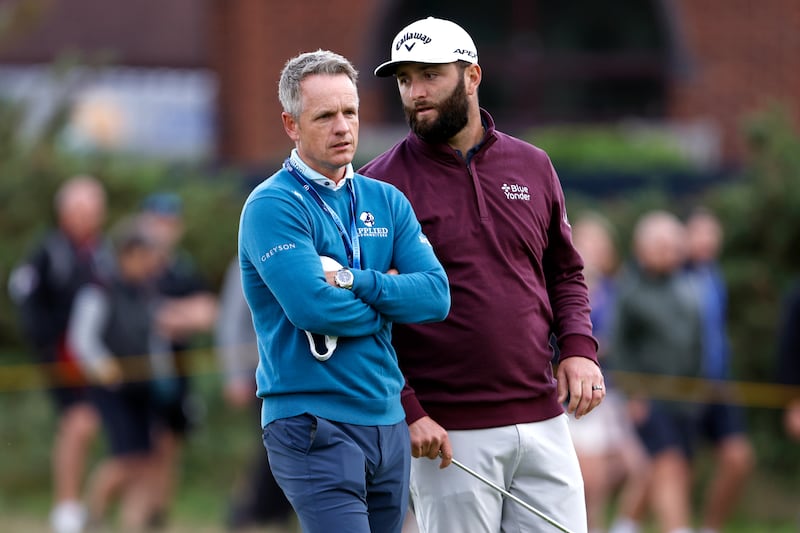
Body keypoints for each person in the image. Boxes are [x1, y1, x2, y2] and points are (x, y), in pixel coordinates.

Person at [361, 17, 603, 533]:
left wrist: (579, 348)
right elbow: (366, 313)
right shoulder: (378, 186)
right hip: (447, 430)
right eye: (405, 80)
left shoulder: (533, 165)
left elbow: (564, 271)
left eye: (430, 75)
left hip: (544, 418)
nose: (416, 93)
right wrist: (407, 408)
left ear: (472, 76)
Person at [238, 49, 450, 533]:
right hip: (312, 420)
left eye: (350, 112)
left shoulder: (385, 199)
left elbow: (436, 296)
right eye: (325, 115)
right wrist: (392, 300)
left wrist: (358, 283)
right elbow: (314, 308)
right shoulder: (272, 205)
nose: (342, 127)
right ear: (291, 125)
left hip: (386, 417)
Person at [7, 175, 112, 533]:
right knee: (78, 423)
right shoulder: (48, 251)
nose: (87, 217)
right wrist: (46, 343)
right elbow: (25, 295)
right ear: (64, 213)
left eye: (94, 210)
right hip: (60, 356)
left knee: (94, 426)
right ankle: (65, 506)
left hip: (97, 356)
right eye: (81, 209)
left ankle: (85, 505)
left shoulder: (101, 252)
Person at [67, 216, 167, 530]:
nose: (150, 263)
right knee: (124, 459)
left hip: (143, 386)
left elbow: (153, 335)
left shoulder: (145, 290)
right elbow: (81, 339)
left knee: (145, 460)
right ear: (127, 254)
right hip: (112, 388)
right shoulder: (99, 288)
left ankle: (132, 523)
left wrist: (161, 374)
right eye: (145, 256)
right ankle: (91, 517)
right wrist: (104, 368)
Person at [610, 210, 703, 533]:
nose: (669, 251)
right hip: (647, 398)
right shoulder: (631, 290)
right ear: (641, 248)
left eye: (673, 245)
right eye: (661, 245)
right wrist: (633, 394)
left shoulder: (687, 287)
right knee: (668, 465)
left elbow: (695, 343)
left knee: (656, 470)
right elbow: (619, 347)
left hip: (684, 399)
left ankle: (624, 526)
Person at [566, 214, 650, 533]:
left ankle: (621, 526)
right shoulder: (562, 291)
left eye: (601, 245)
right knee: (592, 484)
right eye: (587, 243)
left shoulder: (618, 292)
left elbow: (628, 344)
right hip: (576, 399)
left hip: (611, 395)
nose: (594, 251)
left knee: (639, 469)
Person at [139, 192, 219, 527]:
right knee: (139, 450)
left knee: (170, 444)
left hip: (175, 371)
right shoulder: (133, 264)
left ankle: (158, 515)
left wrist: (172, 316)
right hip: (139, 372)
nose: (163, 230)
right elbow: (138, 314)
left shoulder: (181, 267)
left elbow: (208, 312)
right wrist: (175, 315)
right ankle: (112, 514)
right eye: (158, 221)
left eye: (169, 222)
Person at [684, 208, 754, 533]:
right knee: (676, 466)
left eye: (713, 234)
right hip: (681, 386)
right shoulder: (673, 273)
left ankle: (710, 528)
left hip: (718, 381)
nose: (707, 241)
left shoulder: (713, 274)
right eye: (700, 232)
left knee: (738, 457)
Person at [215, 257, 294, 531]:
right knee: (270, 446)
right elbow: (231, 322)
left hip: (293, 372)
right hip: (258, 373)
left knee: (289, 444)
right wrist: (234, 375)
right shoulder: (243, 261)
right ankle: (246, 512)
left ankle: (278, 514)